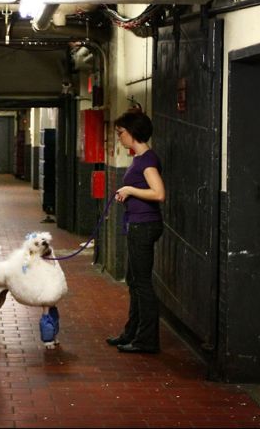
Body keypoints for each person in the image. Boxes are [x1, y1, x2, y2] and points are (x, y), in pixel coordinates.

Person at [106, 110, 166, 354]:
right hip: (137, 224)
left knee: (141, 284)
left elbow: (159, 193)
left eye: (121, 133)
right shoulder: (140, 158)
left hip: (144, 226)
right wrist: (128, 191)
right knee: (134, 280)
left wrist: (130, 189)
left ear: (133, 133)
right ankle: (131, 333)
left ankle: (147, 341)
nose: (119, 138)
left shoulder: (147, 160)